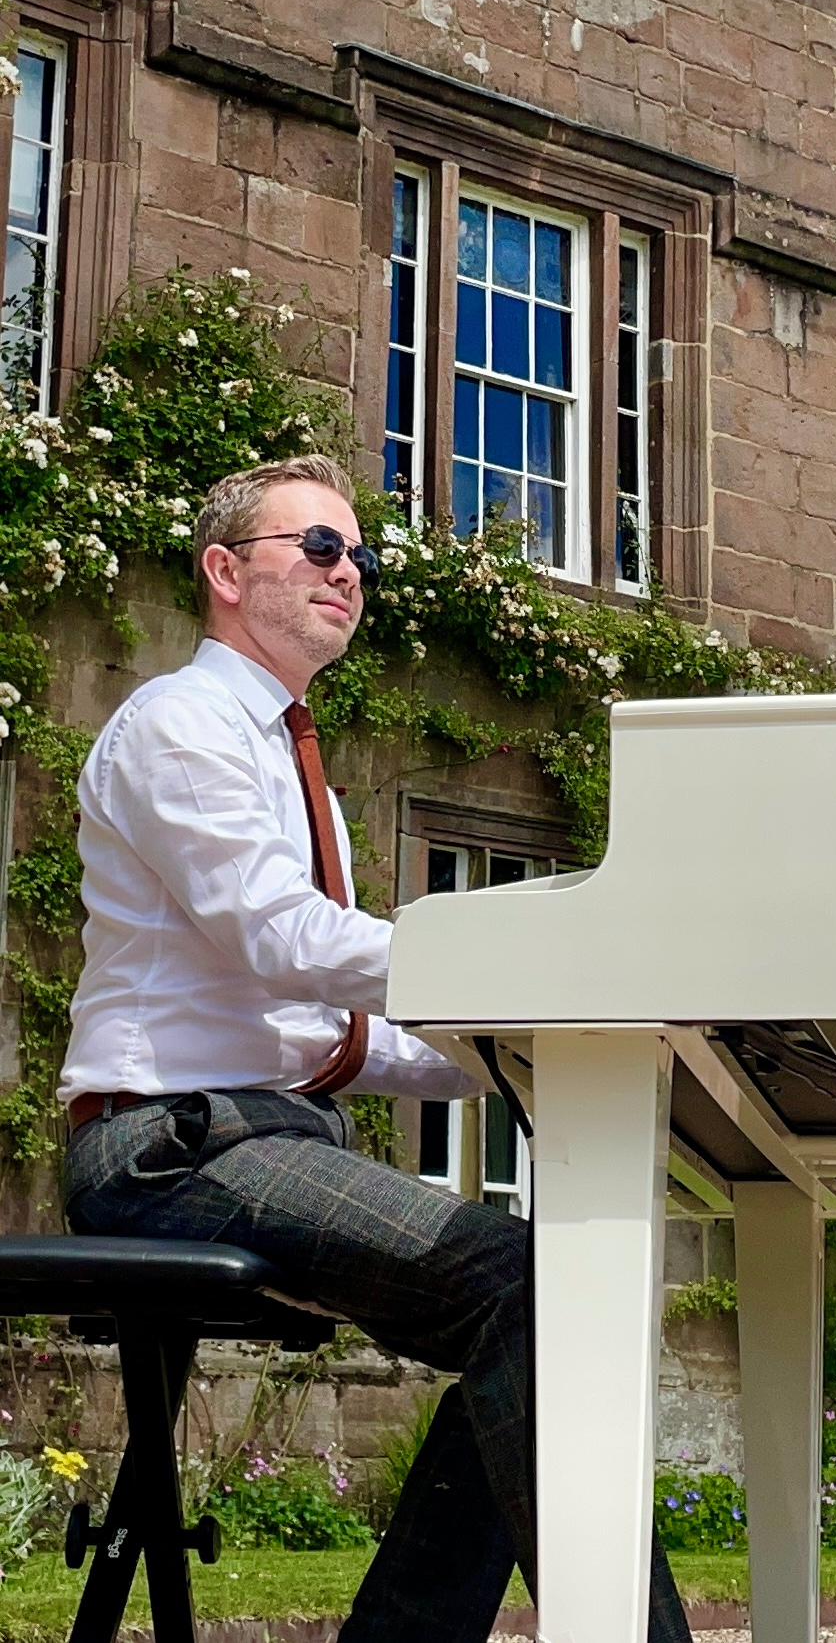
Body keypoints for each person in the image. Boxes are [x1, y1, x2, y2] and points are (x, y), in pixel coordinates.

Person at [58, 455, 691, 1643]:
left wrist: (518, 1043)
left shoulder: (296, 761)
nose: (350, 572)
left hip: (256, 1130)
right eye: (319, 547)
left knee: (549, 1294)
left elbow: (327, 1032)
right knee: (524, 1282)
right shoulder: (181, 726)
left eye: (362, 555)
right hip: (164, 1150)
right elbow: (283, 935)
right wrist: (520, 977)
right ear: (225, 571)